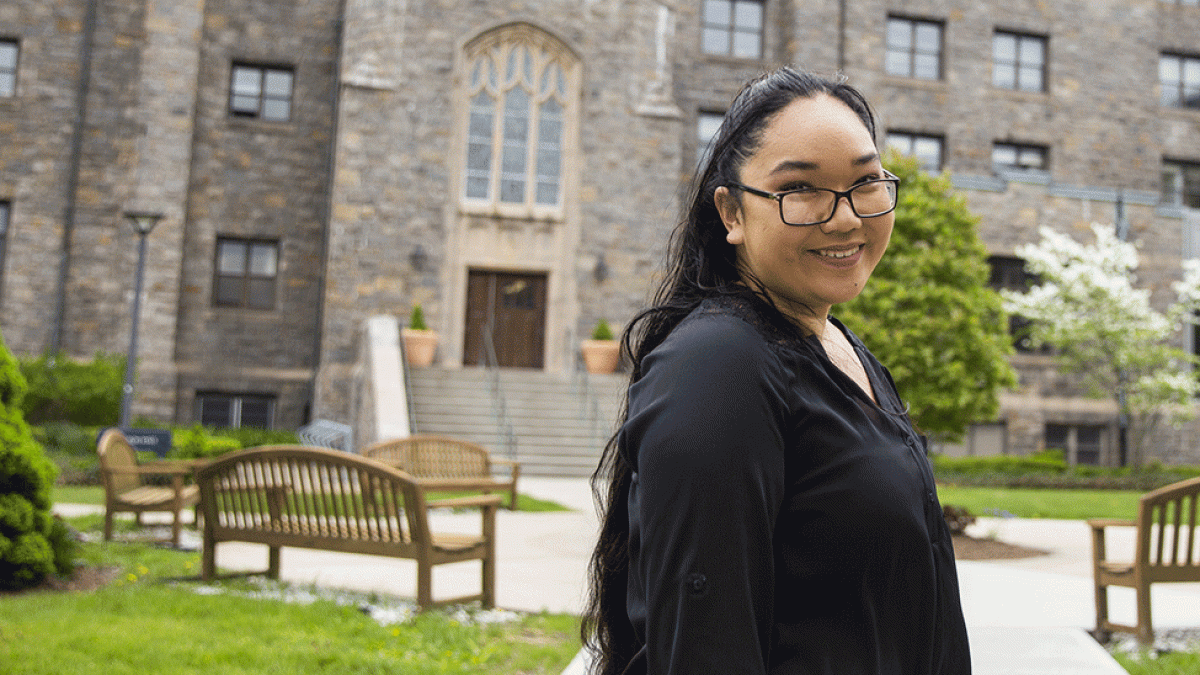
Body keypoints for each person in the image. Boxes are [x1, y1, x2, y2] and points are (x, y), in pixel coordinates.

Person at [582, 67, 971, 675]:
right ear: (731, 212)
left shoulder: (838, 343)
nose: (845, 218)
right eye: (802, 190)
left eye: (865, 182)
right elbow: (704, 648)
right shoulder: (717, 369)